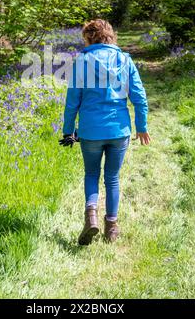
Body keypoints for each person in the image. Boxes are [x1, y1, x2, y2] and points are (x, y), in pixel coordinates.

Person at [59, 19, 150, 245]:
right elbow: (139, 98)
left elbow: (72, 102)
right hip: (119, 130)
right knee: (112, 178)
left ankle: (91, 217)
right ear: (111, 36)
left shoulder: (82, 61)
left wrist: (68, 131)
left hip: (90, 131)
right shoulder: (124, 60)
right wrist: (142, 127)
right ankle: (111, 228)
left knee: (91, 174)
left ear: (89, 38)